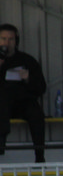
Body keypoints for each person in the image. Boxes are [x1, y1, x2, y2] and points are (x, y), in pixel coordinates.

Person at [0, 23, 48, 163]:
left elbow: (41, 88)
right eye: (3, 39)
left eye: (11, 39)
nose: (7, 43)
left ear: (16, 41)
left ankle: (39, 155)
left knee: (36, 113)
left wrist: (28, 79)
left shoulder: (27, 60)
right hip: (2, 104)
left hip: (22, 102)